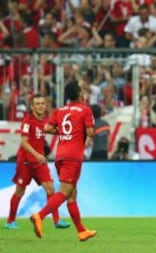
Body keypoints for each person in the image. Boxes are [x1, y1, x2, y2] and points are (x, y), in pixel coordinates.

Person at [30, 81, 96, 241]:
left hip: (60, 155)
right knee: (64, 192)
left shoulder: (60, 110)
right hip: (73, 157)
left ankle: (81, 231)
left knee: (72, 195)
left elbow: (46, 128)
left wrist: (64, 133)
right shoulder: (85, 110)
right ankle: (40, 216)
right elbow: (90, 132)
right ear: (80, 94)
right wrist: (84, 134)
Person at [5, 94, 70, 230]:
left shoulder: (44, 122)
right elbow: (23, 142)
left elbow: (55, 130)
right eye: (37, 103)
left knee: (50, 189)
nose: (41, 105)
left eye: (42, 103)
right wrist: (37, 154)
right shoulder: (27, 122)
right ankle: (10, 221)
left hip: (39, 163)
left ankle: (57, 221)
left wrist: (69, 132)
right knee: (19, 191)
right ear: (32, 107)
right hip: (25, 163)